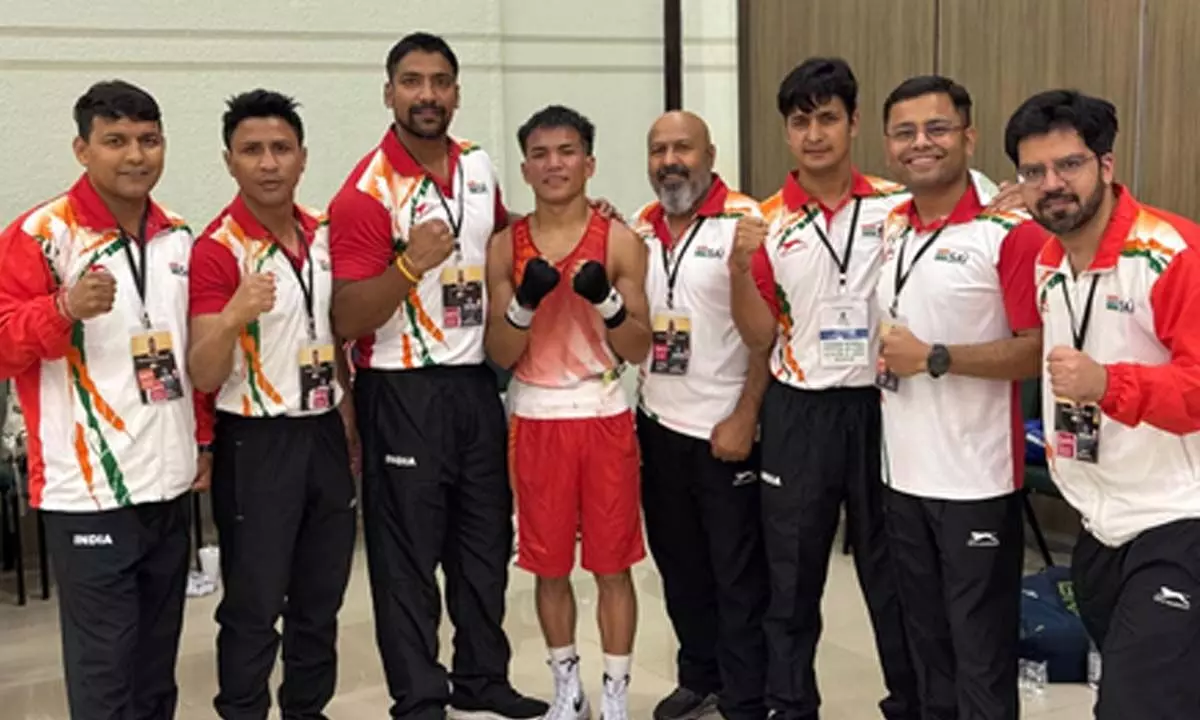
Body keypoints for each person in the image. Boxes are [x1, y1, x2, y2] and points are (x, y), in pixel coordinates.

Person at [327, 32, 546, 720]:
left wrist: (569, 219)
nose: (427, 95)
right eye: (412, 81)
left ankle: (482, 678)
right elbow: (345, 316)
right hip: (402, 387)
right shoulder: (365, 193)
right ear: (388, 92)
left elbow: (505, 237)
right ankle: (420, 696)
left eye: (440, 81)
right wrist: (408, 265)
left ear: (456, 92)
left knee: (484, 543)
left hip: (475, 382)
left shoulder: (477, 164)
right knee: (408, 559)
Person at [0, 80, 209, 720]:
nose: (136, 155)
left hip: (168, 484)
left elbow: (190, 353)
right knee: (105, 672)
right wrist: (61, 309)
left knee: (155, 669)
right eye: (115, 140)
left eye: (149, 139)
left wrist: (202, 441)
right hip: (86, 492)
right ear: (82, 149)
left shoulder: (178, 236)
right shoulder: (40, 235)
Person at [727, 57, 922, 720]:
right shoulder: (767, 221)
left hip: (881, 406)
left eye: (828, 118)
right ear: (786, 131)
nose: (814, 134)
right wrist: (738, 267)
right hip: (798, 412)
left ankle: (910, 702)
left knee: (891, 574)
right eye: (800, 121)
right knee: (790, 576)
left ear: (854, 122)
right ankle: (790, 705)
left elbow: (971, 210)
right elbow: (758, 335)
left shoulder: (897, 207)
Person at [1007, 89, 1200, 719]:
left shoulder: (1171, 254)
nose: (1051, 184)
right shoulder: (1049, 263)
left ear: (1106, 165)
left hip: (1177, 519)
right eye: (1033, 172)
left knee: (1134, 705)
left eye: (1069, 165)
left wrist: (1109, 385)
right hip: (1098, 522)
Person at [873, 76, 1046, 720]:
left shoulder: (1010, 231)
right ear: (888, 145)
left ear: (968, 137)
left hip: (976, 480)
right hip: (902, 476)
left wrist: (935, 359)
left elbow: (1035, 351)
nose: (920, 143)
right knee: (928, 650)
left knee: (980, 655)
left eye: (937, 128)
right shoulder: (893, 223)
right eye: (905, 132)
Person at [186, 89, 358, 720]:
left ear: (302, 157)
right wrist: (233, 314)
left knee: (321, 598)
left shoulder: (323, 234)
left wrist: (348, 421)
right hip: (255, 440)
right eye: (251, 150)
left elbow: (334, 335)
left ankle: (307, 711)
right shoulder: (217, 248)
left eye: (281, 148)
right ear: (229, 161)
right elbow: (204, 372)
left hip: (324, 433)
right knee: (254, 604)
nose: (267, 163)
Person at [485, 105, 651, 720]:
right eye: (540, 154)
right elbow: (500, 351)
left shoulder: (621, 240)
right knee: (549, 567)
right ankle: (567, 690)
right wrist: (524, 303)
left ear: (589, 162)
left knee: (613, 565)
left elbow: (640, 346)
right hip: (536, 418)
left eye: (566, 151)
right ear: (525, 168)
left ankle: (615, 697)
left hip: (603, 413)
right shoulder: (505, 246)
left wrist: (606, 301)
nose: (554, 164)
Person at [629, 110, 769, 720]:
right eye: (658, 150)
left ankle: (746, 696)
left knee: (737, 576)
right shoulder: (640, 226)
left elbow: (768, 335)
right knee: (679, 566)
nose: (670, 162)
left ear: (710, 154)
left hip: (725, 429)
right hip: (657, 426)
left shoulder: (747, 221)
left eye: (682, 148)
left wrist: (747, 413)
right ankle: (699, 677)